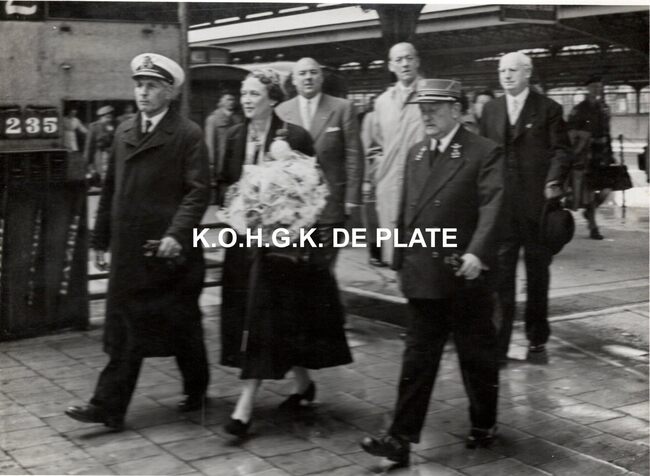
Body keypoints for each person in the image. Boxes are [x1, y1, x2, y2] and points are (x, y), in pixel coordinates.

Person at [360, 79, 504, 467]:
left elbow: (493, 206)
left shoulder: (483, 151)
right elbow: (407, 211)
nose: (426, 115)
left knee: (476, 355)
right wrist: (399, 260)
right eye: (422, 109)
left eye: (434, 108)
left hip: (464, 274)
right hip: (424, 272)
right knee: (417, 358)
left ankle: (484, 422)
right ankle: (399, 439)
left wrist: (477, 252)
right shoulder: (417, 153)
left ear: (456, 110)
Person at [65, 53, 211, 431]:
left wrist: (176, 234)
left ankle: (197, 387)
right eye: (139, 85)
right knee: (126, 329)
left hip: (168, 252)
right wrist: (100, 240)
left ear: (170, 93)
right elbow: (110, 188)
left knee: (182, 327)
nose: (142, 93)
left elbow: (198, 192)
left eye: (152, 86)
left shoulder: (188, 134)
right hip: (130, 251)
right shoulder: (124, 131)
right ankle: (108, 408)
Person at [219, 69, 352, 438]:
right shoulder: (234, 136)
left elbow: (312, 189)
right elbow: (225, 185)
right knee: (276, 322)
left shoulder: (294, 136)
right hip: (244, 246)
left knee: (262, 318)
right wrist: (237, 210)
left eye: (254, 94)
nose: (246, 100)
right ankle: (303, 384)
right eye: (243, 93)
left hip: (283, 249)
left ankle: (244, 407)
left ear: (273, 99)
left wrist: (288, 223)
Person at [480, 51, 572, 365]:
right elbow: (483, 154)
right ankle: (499, 345)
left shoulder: (548, 109)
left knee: (537, 276)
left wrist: (553, 181)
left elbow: (561, 151)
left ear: (527, 73)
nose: (506, 76)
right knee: (500, 277)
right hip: (502, 209)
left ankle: (536, 340)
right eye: (501, 70)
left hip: (537, 208)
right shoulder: (490, 110)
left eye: (512, 70)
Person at [276, 56, 363, 255]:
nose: (308, 77)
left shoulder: (342, 108)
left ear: (321, 78)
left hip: (330, 202)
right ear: (294, 81)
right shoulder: (282, 111)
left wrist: (352, 198)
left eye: (313, 72)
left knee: (324, 262)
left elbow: (354, 155)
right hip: (293, 205)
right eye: (302, 73)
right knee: (295, 262)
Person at [366, 42, 425, 266]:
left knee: (422, 246)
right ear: (391, 66)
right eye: (398, 60)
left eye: (409, 58)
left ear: (417, 61)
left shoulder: (431, 94)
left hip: (424, 180)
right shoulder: (382, 102)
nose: (405, 64)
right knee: (394, 250)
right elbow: (375, 144)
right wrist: (379, 171)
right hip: (389, 184)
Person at [567, 76, 614, 240]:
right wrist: (586, 141)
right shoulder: (579, 109)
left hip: (603, 154)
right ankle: (593, 227)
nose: (597, 90)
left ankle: (589, 212)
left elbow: (608, 132)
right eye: (594, 87)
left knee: (607, 189)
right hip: (586, 155)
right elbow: (571, 132)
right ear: (587, 89)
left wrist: (610, 153)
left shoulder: (604, 108)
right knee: (590, 191)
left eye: (599, 87)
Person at [205, 92, 243, 200]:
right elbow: (210, 144)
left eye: (233, 99)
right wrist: (211, 164)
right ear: (220, 101)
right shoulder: (213, 119)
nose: (231, 102)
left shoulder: (238, 119)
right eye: (228, 99)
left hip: (234, 161)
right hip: (219, 164)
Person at [360, 98, 384, 266]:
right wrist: (366, 179)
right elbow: (365, 147)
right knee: (373, 213)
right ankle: (376, 251)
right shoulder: (371, 118)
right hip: (376, 169)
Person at [84, 105, 115, 181]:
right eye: (107, 117)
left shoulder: (115, 125)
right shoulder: (94, 127)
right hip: (100, 156)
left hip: (113, 157)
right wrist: (88, 164)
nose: (109, 120)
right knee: (101, 177)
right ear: (101, 117)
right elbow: (89, 147)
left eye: (110, 117)